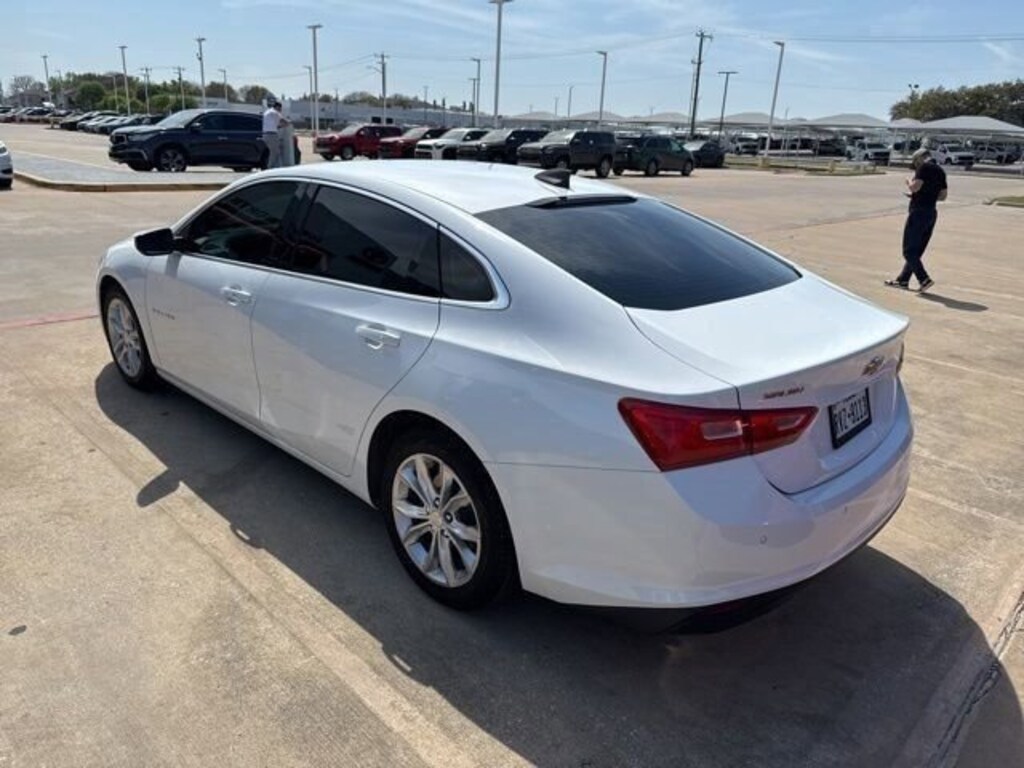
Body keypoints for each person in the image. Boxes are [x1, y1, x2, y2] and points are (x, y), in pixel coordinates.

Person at [885, 146, 946, 292]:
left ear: (920, 158)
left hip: (918, 212)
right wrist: (927, 196)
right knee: (917, 250)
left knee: (908, 250)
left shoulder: (924, 167)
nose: (915, 165)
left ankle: (923, 279)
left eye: (915, 161)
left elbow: (915, 187)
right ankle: (903, 280)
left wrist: (908, 183)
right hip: (931, 212)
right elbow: (943, 196)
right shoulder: (940, 171)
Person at [261, 100, 289, 169]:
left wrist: (281, 126)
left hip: (266, 134)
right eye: (280, 108)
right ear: (277, 107)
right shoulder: (274, 112)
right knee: (275, 152)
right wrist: (289, 122)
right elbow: (284, 121)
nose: (280, 110)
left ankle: (275, 166)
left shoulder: (267, 112)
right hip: (272, 135)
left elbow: (275, 126)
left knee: (272, 152)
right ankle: (270, 167)